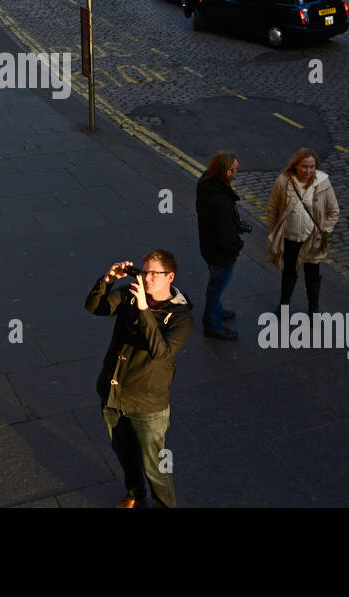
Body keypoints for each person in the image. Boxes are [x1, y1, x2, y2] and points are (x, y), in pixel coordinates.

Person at [86, 250, 193, 508]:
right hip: (113, 392)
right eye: (144, 272)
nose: (147, 278)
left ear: (170, 276)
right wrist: (108, 280)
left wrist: (144, 309)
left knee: (155, 467)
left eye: (154, 274)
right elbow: (94, 308)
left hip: (147, 403)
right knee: (123, 452)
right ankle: (136, 493)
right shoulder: (128, 295)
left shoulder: (181, 316)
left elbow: (161, 352)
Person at [266, 148, 340, 317]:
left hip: (313, 240)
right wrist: (274, 233)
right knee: (289, 272)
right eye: (305, 166)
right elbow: (272, 209)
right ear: (296, 166)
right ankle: (283, 307)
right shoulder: (284, 181)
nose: (308, 171)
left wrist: (325, 230)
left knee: (313, 276)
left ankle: (313, 310)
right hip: (290, 238)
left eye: (312, 167)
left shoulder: (323, 182)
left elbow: (334, 211)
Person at [195, 152, 245, 340]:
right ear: (226, 172)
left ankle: (218, 311)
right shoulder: (220, 201)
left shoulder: (206, 184)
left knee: (215, 284)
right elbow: (225, 235)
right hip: (220, 254)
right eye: (234, 169)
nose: (236, 172)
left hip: (208, 247)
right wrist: (237, 245)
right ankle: (212, 325)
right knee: (216, 289)